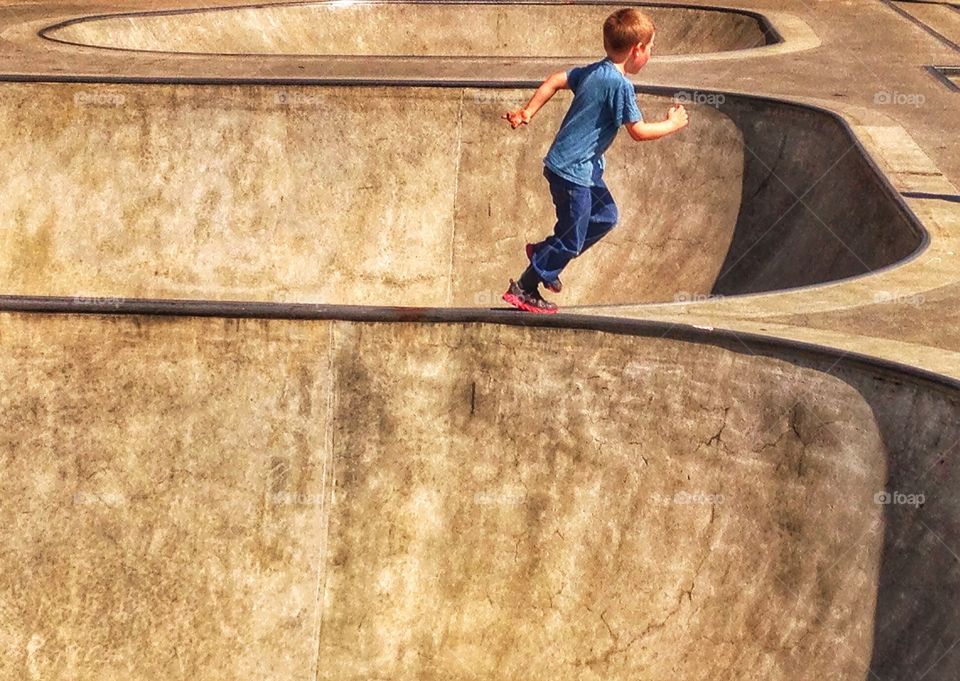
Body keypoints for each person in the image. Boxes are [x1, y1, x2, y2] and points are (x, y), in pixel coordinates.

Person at [502, 8, 689, 313]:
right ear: (637, 50)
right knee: (572, 241)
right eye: (651, 48)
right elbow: (638, 132)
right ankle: (525, 286)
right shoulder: (621, 86)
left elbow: (553, 80)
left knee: (606, 216)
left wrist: (527, 112)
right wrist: (673, 124)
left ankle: (546, 255)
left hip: (578, 170)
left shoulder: (593, 71)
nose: (651, 55)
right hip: (572, 174)